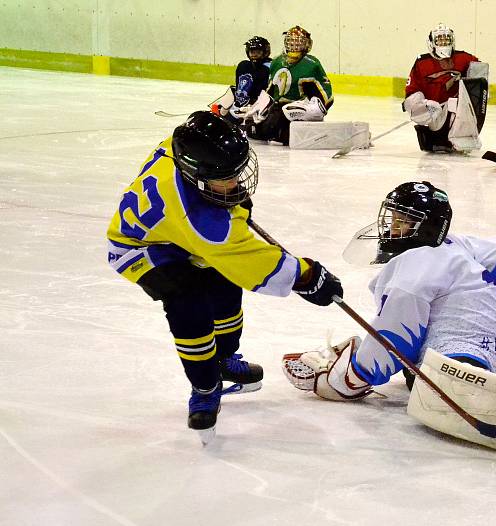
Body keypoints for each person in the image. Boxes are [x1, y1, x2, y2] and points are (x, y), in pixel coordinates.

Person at [282, 181, 496, 461]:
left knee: (430, 390)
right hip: (491, 346)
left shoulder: (414, 266)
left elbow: (396, 339)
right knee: (420, 374)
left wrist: (346, 379)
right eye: (393, 219)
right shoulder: (456, 244)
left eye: (403, 221)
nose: (391, 228)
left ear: (427, 228)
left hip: (455, 356)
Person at [106, 111, 344, 442]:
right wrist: (308, 277)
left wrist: (229, 201)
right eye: (225, 178)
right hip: (144, 249)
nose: (236, 183)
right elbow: (257, 266)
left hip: (177, 233)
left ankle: (224, 359)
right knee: (189, 305)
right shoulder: (205, 225)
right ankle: (204, 386)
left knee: (225, 284)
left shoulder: (176, 149)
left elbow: (231, 252)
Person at [403, 23, 489, 153]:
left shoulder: (465, 58)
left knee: (455, 105)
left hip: (459, 113)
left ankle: (461, 136)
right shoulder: (422, 63)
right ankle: (441, 139)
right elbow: (411, 94)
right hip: (436, 117)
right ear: (431, 43)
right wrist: (424, 107)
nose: (443, 43)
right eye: (440, 40)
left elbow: (480, 82)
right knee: (415, 102)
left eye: (446, 40)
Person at [241, 25, 334, 145]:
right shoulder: (277, 62)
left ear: (306, 44)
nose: (294, 46)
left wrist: (314, 109)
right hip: (278, 108)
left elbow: (325, 93)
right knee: (255, 128)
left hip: (299, 111)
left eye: (298, 43)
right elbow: (271, 90)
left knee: (283, 129)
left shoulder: (311, 64)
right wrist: (260, 105)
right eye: (291, 42)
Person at [212, 36, 273, 123]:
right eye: (252, 52)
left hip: (258, 105)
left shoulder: (270, 67)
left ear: (265, 52)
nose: (254, 55)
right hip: (241, 105)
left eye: (258, 52)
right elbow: (239, 87)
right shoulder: (243, 65)